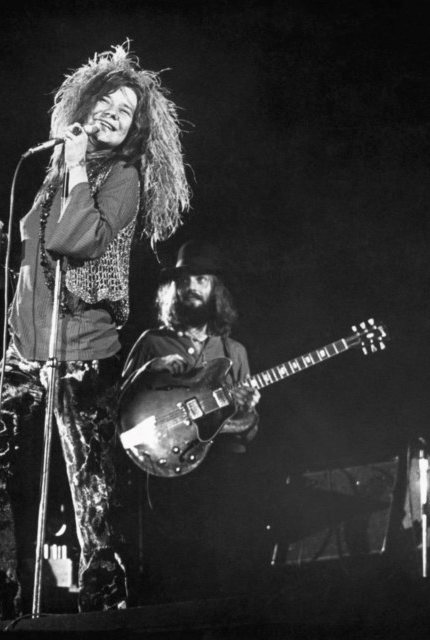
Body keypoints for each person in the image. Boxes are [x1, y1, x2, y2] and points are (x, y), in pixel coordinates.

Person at [0, 43, 189, 619]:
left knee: (94, 505)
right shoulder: (57, 170)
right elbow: (37, 255)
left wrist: (76, 166)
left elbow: (73, 240)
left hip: (84, 354)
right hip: (24, 351)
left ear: (137, 129)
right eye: (106, 103)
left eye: (127, 111)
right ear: (83, 107)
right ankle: (3, 612)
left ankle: (101, 621)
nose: (114, 115)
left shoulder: (122, 177)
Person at [120, 240, 262, 601]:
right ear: (173, 289)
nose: (191, 287)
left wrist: (246, 412)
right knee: (168, 581)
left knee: (220, 582)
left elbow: (247, 435)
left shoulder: (235, 352)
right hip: (165, 478)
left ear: (216, 288)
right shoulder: (153, 343)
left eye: (201, 279)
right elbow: (118, 412)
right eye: (184, 281)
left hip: (219, 484)